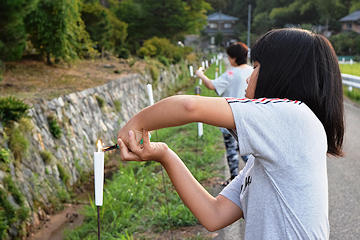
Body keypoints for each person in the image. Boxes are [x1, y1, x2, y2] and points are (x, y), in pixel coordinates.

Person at [117, 28, 344, 239]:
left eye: (255, 67)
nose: (248, 77)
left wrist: (135, 124)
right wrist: (164, 154)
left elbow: (190, 107)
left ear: (280, 74)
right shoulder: (260, 163)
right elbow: (214, 215)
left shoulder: (295, 117)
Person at [195, 42, 253, 186]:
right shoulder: (253, 71)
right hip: (249, 118)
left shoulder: (231, 73)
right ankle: (255, 171)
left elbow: (211, 85)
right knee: (245, 149)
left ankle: (234, 178)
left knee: (232, 150)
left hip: (230, 117)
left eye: (229, 56)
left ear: (233, 58)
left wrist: (200, 75)